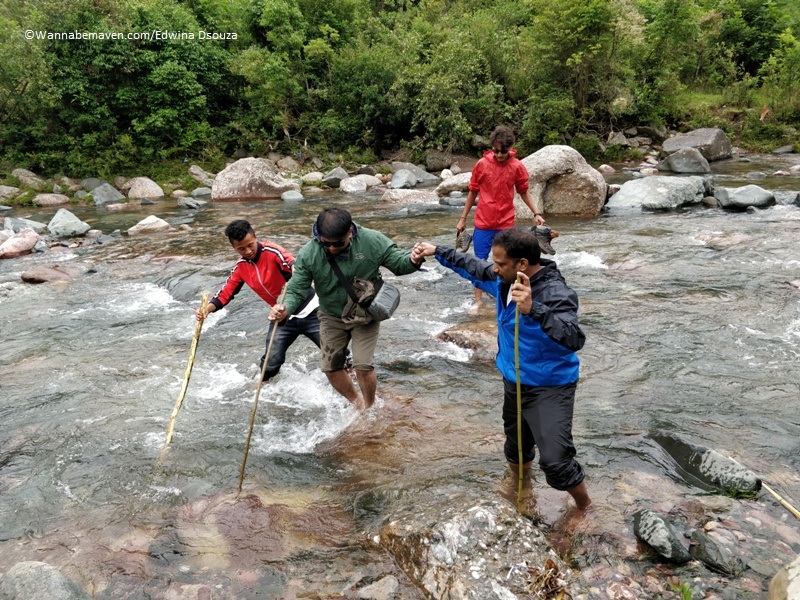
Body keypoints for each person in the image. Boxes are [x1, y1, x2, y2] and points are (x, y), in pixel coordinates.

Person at [411, 227, 591, 510]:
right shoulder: (502, 280)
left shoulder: (555, 292)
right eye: (495, 262)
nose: (495, 268)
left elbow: (574, 337)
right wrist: (438, 251)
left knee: (556, 462)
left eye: (501, 263)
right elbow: (473, 266)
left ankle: (585, 507)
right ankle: (522, 485)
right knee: (516, 446)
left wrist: (534, 309)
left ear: (522, 264)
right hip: (514, 379)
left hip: (551, 386)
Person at [269, 208, 424, 411]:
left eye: (338, 243)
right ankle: (357, 404)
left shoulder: (372, 241)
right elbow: (297, 289)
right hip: (331, 316)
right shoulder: (309, 253)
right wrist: (284, 308)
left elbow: (398, 262)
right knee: (331, 368)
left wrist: (414, 259)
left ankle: (369, 407)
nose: (332, 248)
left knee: (362, 367)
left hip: (365, 314)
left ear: (350, 232)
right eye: (326, 243)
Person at [196, 219, 349, 381]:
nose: (247, 251)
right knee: (271, 359)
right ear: (233, 247)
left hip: (312, 311)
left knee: (337, 354)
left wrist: (295, 268)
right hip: (282, 317)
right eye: (241, 249)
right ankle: (262, 385)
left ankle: (356, 377)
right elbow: (225, 294)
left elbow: (291, 262)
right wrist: (207, 310)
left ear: (255, 237)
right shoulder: (241, 268)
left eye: (250, 245)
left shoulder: (272, 251)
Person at [457, 125, 546, 308]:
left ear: (510, 148)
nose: (499, 155)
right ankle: (478, 301)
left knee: (509, 263)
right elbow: (472, 192)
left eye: (503, 151)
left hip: (506, 223)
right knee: (479, 261)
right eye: (496, 151)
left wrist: (536, 213)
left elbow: (523, 192)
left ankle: (504, 297)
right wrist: (463, 218)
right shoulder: (482, 165)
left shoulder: (517, 167)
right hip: (483, 222)